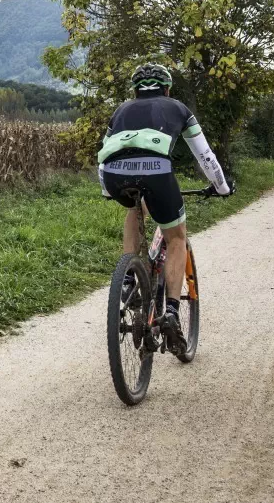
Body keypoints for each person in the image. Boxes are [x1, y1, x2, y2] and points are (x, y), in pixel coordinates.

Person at [98, 63, 233, 351]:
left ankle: (129, 277)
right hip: (157, 172)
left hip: (114, 175)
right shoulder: (179, 108)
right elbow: (205, 156)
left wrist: (106, 190)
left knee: (134, 207)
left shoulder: (121, 110)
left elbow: (103, 154)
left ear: (135, 90)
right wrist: (222, 187)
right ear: (167, 88)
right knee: (177, 237)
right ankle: (171, 311)